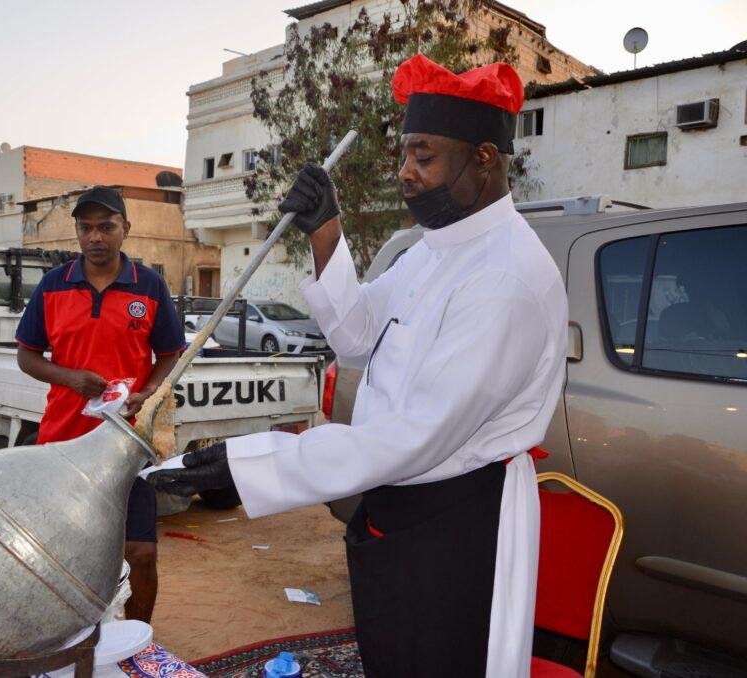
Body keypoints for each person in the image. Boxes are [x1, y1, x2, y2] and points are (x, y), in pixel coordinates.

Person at [149, 54, 568, 677]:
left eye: (424, 156)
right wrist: (325, 228)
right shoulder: (432, 252)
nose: (405, 173)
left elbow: (416, 436)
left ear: (485, 157)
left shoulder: (505, 276)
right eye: (405, 154)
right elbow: (355, 334)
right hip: (400, 506)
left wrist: (254, 463)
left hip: (457, 523)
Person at [15, 186, 185, 623]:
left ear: (125, 228)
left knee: (140, 553)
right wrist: (71, 378)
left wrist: (148, 393)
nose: (95, 237)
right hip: (63, 444)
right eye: (86, 228)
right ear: (76, 231)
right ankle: (68, 638)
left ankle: (137, 643)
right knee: (63, 553)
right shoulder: (53, 286)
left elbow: (170, 354)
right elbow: (27, 356)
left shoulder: (149, 286)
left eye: (106, 227)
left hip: (126, 445)